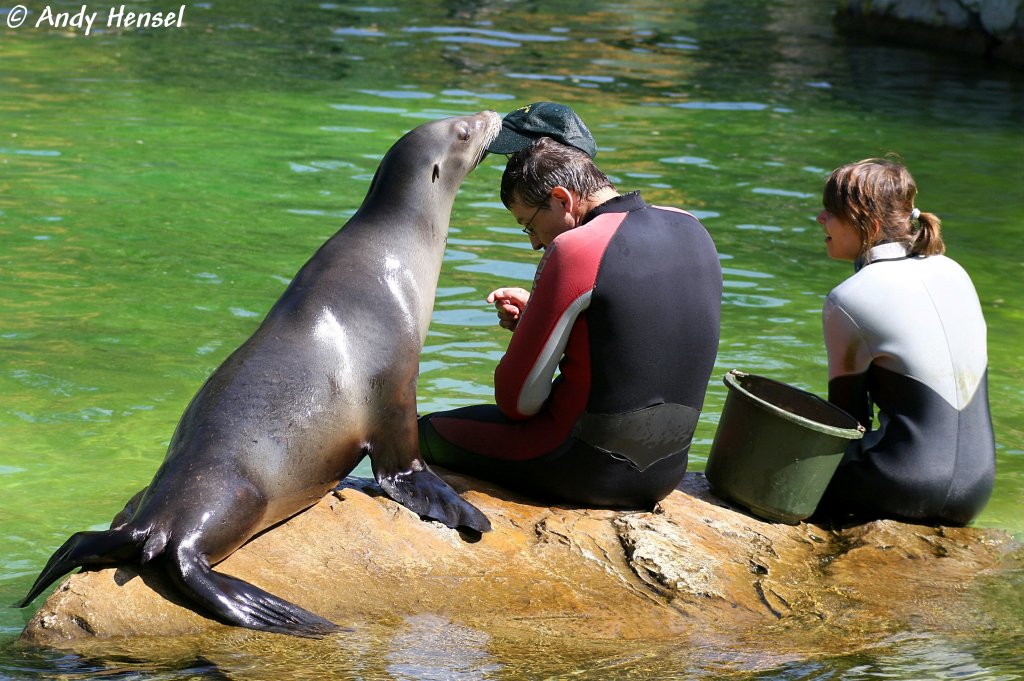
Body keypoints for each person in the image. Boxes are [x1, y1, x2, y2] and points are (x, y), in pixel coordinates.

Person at [417, 102, 723, 509]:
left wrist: (530, 330)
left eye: (528, 224)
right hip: (664, 474)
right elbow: (642, 338)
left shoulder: (576, 248)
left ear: (562, 199)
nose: (533, 242)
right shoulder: (690, 225)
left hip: (586, 470)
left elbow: (518, 402)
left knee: (420, 433)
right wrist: (544, 315)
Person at [814, 157, 995, 525]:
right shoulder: (954, 271)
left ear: (871, 225)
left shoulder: (849, 298)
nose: (820, 219)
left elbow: (847, 424)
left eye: (831, 212)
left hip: (898, 487)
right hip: (976, 491)